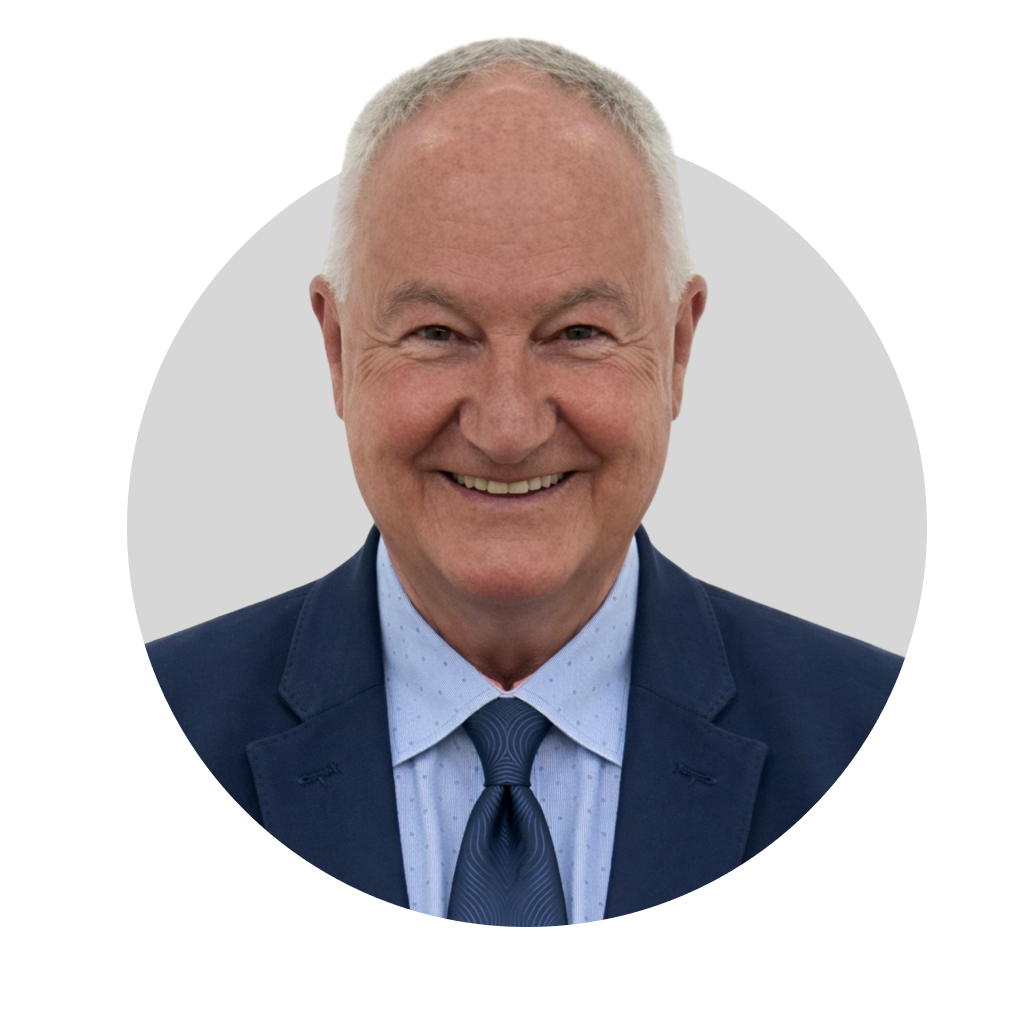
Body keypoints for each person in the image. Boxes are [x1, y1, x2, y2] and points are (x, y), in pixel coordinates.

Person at [147, 38, 901, 925]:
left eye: (578, 333)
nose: (507, 428)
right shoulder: (146, 738)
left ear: (678, 348)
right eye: (437, 333)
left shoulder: (881, 743)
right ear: (339, 349)